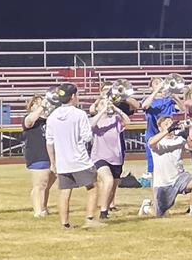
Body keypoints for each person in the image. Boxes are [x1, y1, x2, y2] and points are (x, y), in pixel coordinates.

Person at [44, 84, 96, 229]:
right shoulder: (79, 114)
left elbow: (49, 142)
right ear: (73, 96)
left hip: (62, 161)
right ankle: (90, 218)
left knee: (65, 192)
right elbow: (86, 137)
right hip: (80, 159)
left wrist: (52, 162)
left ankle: (64, 224)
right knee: (92, 187)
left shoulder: (52, 116)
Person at [139, 115, 192, 218]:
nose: (170, 125)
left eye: (171, 123)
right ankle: (146, 207)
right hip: (163, 182)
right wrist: (168, 130)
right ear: (160, 128)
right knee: (160, 214)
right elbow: (151, 143)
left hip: (180, 177)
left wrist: (189, 138)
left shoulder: (179, 139)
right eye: (166, 124)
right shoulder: (156, 140)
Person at [87, 91, 130, 221]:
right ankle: (103, 211)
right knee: (108, 180)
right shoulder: (94, 120)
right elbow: (90, 125)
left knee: (112, 185)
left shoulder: (115, 119)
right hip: (100, 156)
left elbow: (127, 121)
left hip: (115, 157)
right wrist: (101, 111)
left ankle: (105, 207)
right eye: (102, 104)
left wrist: (116, 108)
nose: (105, 106)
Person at [21, 94, 55, 218]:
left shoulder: (50, 120)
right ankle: (37, 211)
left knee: (47, 184)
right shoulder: (28, 118)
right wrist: (42, 106)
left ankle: (44, 207)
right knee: (39, 184)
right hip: (37, 155)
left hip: (52, 156)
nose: (40, 104)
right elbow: (30, 121)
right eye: (36, 103)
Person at [140, 78, 179, 176]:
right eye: (156, 83)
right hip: (152, 131)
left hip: (167, 132)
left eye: (161, 82)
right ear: (150, 88)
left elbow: (182, 108)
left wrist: (175, 96)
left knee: (169, 156)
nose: (160, 84)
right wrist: (157, 90)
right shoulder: (147, 99)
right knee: (152, 155)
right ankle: (152, 173)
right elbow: (144, 106)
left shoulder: (169, 100)